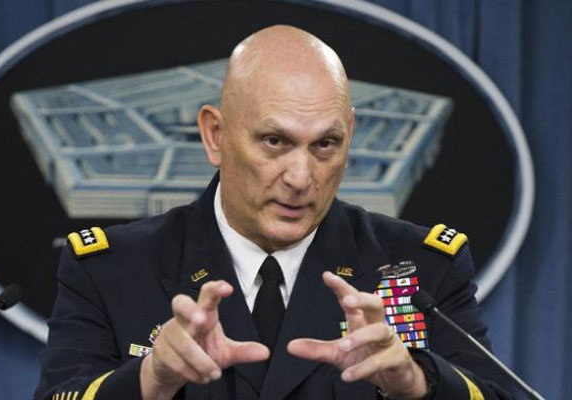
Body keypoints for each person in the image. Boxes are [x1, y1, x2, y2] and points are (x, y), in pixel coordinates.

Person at [36, 25, 514, 400]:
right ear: (215, 136)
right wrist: (150, 381)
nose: (301, 177)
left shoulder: (424, 267)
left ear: (349, 135)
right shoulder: (110, 269)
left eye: (325, 144)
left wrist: (416, 382)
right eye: (274, 141)